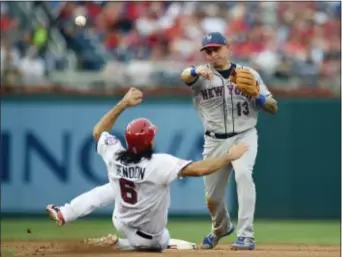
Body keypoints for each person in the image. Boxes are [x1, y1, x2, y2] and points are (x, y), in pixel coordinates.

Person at [46, 87, 248, 252]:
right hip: (150, 239)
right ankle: (120, 245)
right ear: (149, 140)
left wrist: (123, 104)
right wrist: (229, 156)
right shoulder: (158, 164)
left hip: (121, 220)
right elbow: (199, 169)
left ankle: (65, 213)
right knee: (164, 241)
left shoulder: (115, 155)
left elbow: (98, 132)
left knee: (106, 190)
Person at [180, 32, 278, 250]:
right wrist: (196, 70)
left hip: (244, 135)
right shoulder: (201, 76)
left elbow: (272, 106)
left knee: (244, 175)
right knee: (212, 197)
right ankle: (220, 228)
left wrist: (257, 95)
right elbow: (185, 75)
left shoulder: (248, 73)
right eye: (208, 51)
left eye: (217, 49)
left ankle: (246, 235)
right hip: (214, 141)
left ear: (228, 48)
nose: (213, 54)